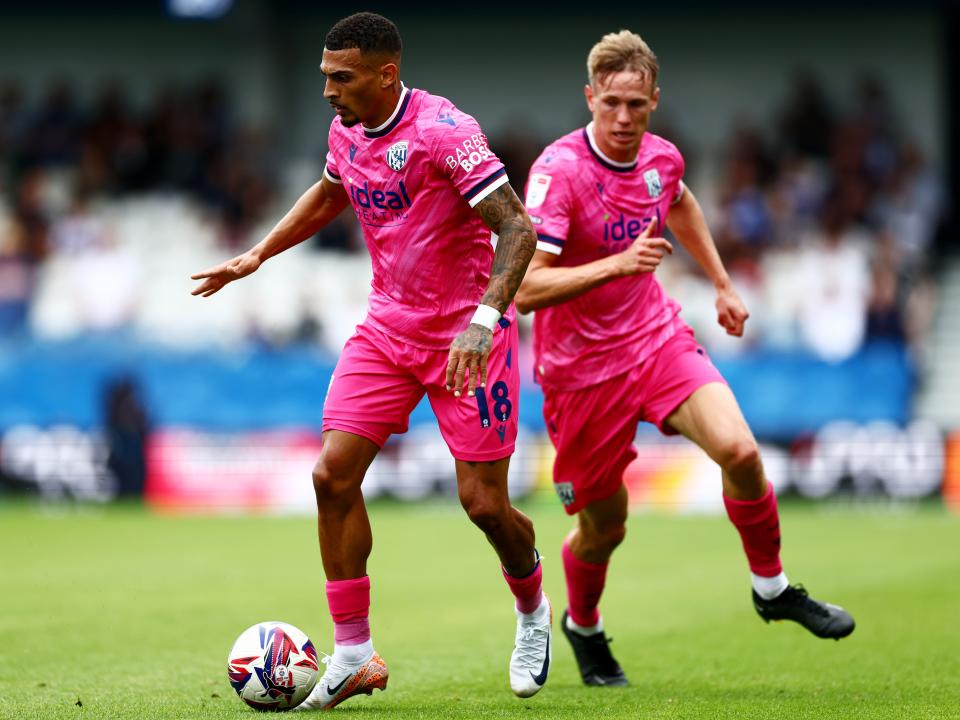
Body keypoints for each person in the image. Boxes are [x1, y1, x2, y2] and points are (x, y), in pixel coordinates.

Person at [191, 12, 551, 708]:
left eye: (341, 77)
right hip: (387, 329)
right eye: (325, 75)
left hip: (465, 338)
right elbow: (331, 192)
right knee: (331, 476)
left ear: (386, 75)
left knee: (483, 506)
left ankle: (532, 609)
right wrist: (259, 254)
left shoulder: (446, 131)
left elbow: (517, 227)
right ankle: (354, 653)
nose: (327, 89)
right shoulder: (346, 130)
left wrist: (484, 319)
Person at [515, 30, 855, 688]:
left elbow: (681, 202)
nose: (623, 118)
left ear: (654, 102)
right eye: (611, 102)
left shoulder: (661, 159)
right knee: (603, 529)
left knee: (742, 452)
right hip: (580, 376)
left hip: (655, 340)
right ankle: (583, 625)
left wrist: (723, 282)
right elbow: (526, 287)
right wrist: (617, 263)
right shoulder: (559, 172)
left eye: (636, 105)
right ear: (590, 97)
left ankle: (773, 588)